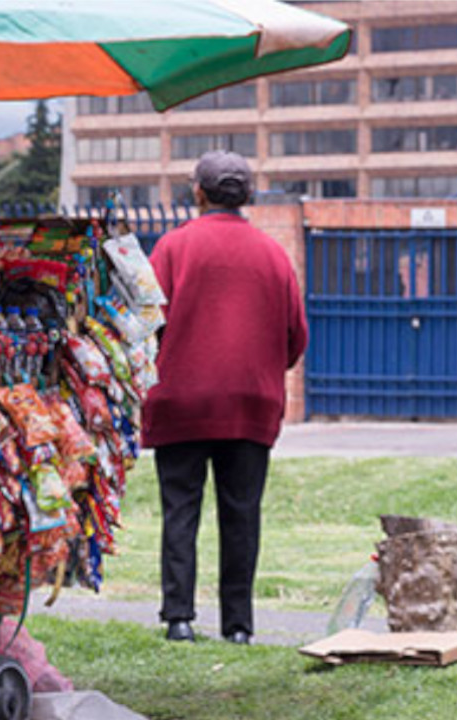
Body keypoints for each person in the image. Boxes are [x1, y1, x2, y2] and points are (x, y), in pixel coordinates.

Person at [143, 151, 308, 645]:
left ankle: (179, 618)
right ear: (250, 195)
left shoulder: (173, 248)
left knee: (181, 509)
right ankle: (237, 626)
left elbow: (144, 320)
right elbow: (295, 335)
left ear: (197, 192)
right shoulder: (273, 253)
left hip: (180, 399)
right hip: (249, 401)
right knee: (241, 514)